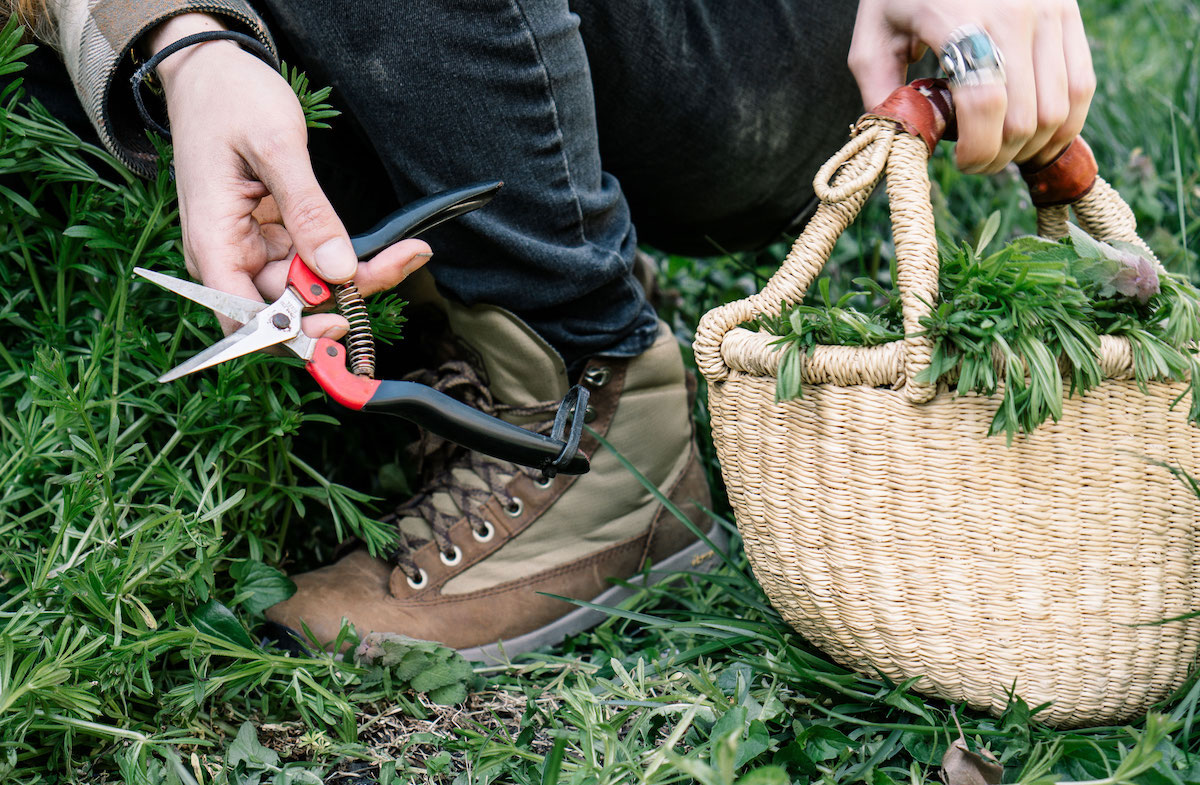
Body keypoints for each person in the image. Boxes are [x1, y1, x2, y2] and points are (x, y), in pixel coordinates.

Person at [12, 0, 1094, 657]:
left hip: (766, 51)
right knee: (46, 77)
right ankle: (467, 307)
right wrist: (187, 44)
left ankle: (594, 403)